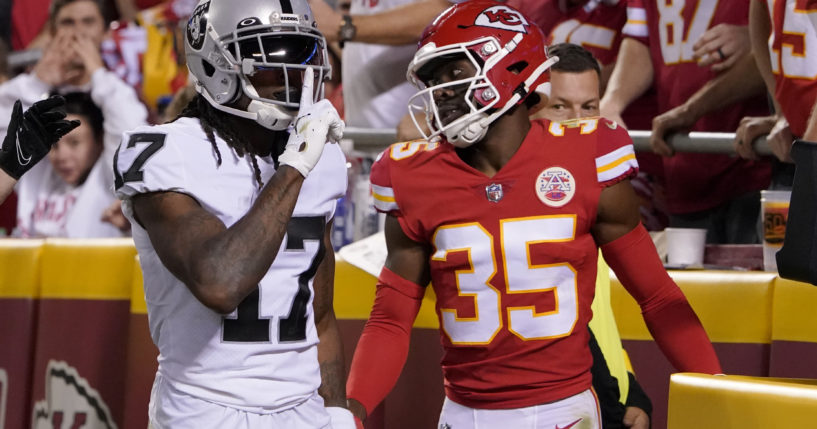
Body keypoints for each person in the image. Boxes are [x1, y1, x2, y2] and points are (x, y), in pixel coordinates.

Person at [345, 2, 721, 428]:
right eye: (433, 79)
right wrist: (354, 409)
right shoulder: (411, 176)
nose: (440, 91)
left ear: (509, 67)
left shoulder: (587, 156)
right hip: (464, 414)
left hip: (563, 412)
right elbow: (390, 320)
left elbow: (657, 295)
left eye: (454, 73)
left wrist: (715, 387)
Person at [114, 0, 355, 427]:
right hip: (205, 409)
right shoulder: (167, 152)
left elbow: (319, 312)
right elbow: (220, 282)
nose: (290, 77)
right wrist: (293, 168)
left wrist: (336, 409)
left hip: (305, 410)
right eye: (268, 57)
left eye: (299, 55)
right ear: (216, 66)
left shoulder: (322, 155)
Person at [542, 42, 651, 429]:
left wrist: (628, 388)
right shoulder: (522, 198)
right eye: (559, 106)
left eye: (588, 107)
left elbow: (597, 318)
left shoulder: (598, 190)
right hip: (563, 406)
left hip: (606, 396)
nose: (576, 121)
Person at [600, 0, 772, 244]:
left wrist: (756, 37)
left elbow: (787, 40)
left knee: (767, 276)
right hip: (683, 165)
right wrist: (612, 103)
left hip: (752, 163)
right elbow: (642, 39)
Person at [0, 0, 149, 235]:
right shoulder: (33, 92)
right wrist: (38, 81)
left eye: (88, 22)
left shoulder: (122, 93)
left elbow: (131, 154)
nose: (78, 32)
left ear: (105, 31)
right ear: (52, 32)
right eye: (68, 23)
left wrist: (98, 74)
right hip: (32, 248)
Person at [14, 92, 125, 237]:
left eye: (74, 143)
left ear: (100, 141)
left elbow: (125, 118)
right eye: (53, 144)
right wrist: (39, 81)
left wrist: (97, 74)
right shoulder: (37, 176)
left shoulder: (111, 179)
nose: (61, 156)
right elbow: (9, 120)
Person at [0, 96, 79, 205]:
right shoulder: (36, 182)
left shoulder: (104, 181)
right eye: (55, 145)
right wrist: (8, 169)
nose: (62, 156)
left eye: (74, 143)